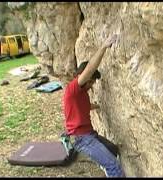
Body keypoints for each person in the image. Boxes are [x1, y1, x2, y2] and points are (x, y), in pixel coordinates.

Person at [62, 34, 125, 177]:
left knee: (113, 150)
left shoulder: (81, 94)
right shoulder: (73, 88)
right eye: (90, 81)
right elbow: (90, 68)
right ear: (82, 77)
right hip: (82, 138)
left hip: (90, 134)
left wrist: (96, 106)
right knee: (113, 166)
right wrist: (104, 46)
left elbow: (83, 106)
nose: (91, 85)